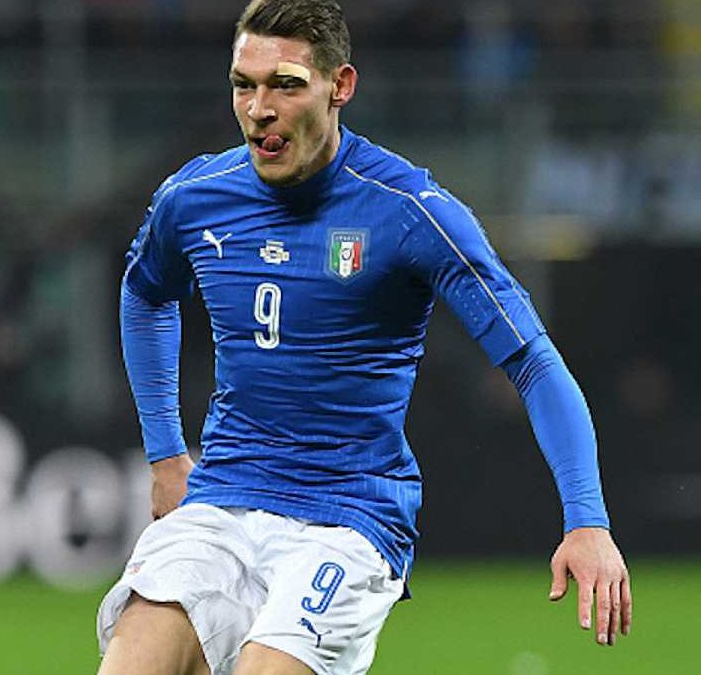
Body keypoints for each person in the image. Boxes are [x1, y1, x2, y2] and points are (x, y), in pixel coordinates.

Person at [95, 1, 633, 674]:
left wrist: (587, 519)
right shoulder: (196, 196)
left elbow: (533, 362)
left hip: (348, 517)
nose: (259, 109)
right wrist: (166, 453)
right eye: (243, 85)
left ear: (340, 86)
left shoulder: (409, 212)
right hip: (224, 498)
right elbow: (145, 292)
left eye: (286, 85)